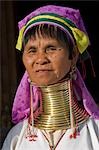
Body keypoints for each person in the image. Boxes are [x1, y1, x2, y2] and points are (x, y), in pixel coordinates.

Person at [2, 5, 99, 150]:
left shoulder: (95, 131)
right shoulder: (16, 137)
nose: (40, 59)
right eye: (32, 50)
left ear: (73, 55)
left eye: (51, 48)